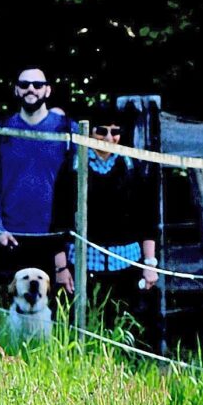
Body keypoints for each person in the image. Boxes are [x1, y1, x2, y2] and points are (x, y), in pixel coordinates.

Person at [48, 119, 160, 338]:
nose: (109, 138)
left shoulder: (132, 166)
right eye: (102, 131)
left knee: (125, 330)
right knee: (83, 328)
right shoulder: (72, 167)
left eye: (115, 131)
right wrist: (61, 269)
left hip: (126, 266)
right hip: (83, 264)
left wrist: (150, 264)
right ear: (90, 133)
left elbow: (147, 219)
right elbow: (57, 220)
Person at [0, 66, 76, 295]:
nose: (31, 89)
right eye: (24, 84)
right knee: (5, 316)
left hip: (53, 239)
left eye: (38, 85)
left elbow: (80, 186)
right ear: (16, 90)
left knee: (53, 320)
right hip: (9, 237)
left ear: (47, 90)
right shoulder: (1, 130)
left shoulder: (68, 130)